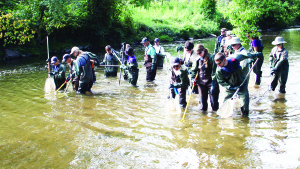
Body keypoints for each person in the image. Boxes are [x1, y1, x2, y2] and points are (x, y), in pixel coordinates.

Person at [214, 53, 250, 117]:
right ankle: (223, 118)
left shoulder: (234, 59)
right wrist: (230, 87)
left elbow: (246, 55)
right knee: (224, 103)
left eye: (219, 63)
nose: (218, 65)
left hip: (242, 85)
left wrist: (256, 55)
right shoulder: (219, 70)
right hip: (230, 88)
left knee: (244, 103)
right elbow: (221, 81)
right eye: (217, 64)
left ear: (224, 60)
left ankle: (245, 119)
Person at [190, 44, 219, 112]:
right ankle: (203, 119)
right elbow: (194, 71)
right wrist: (192, 79)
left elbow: (215, 72)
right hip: (201, 83)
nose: (198, 54)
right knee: (202, 106)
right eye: (197, 53)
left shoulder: (212, 58)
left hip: (211, 82)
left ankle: (215, 119)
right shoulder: (197, 60)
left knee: (214, 104)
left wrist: (214, 83)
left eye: (199, 53)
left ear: (203, 50)